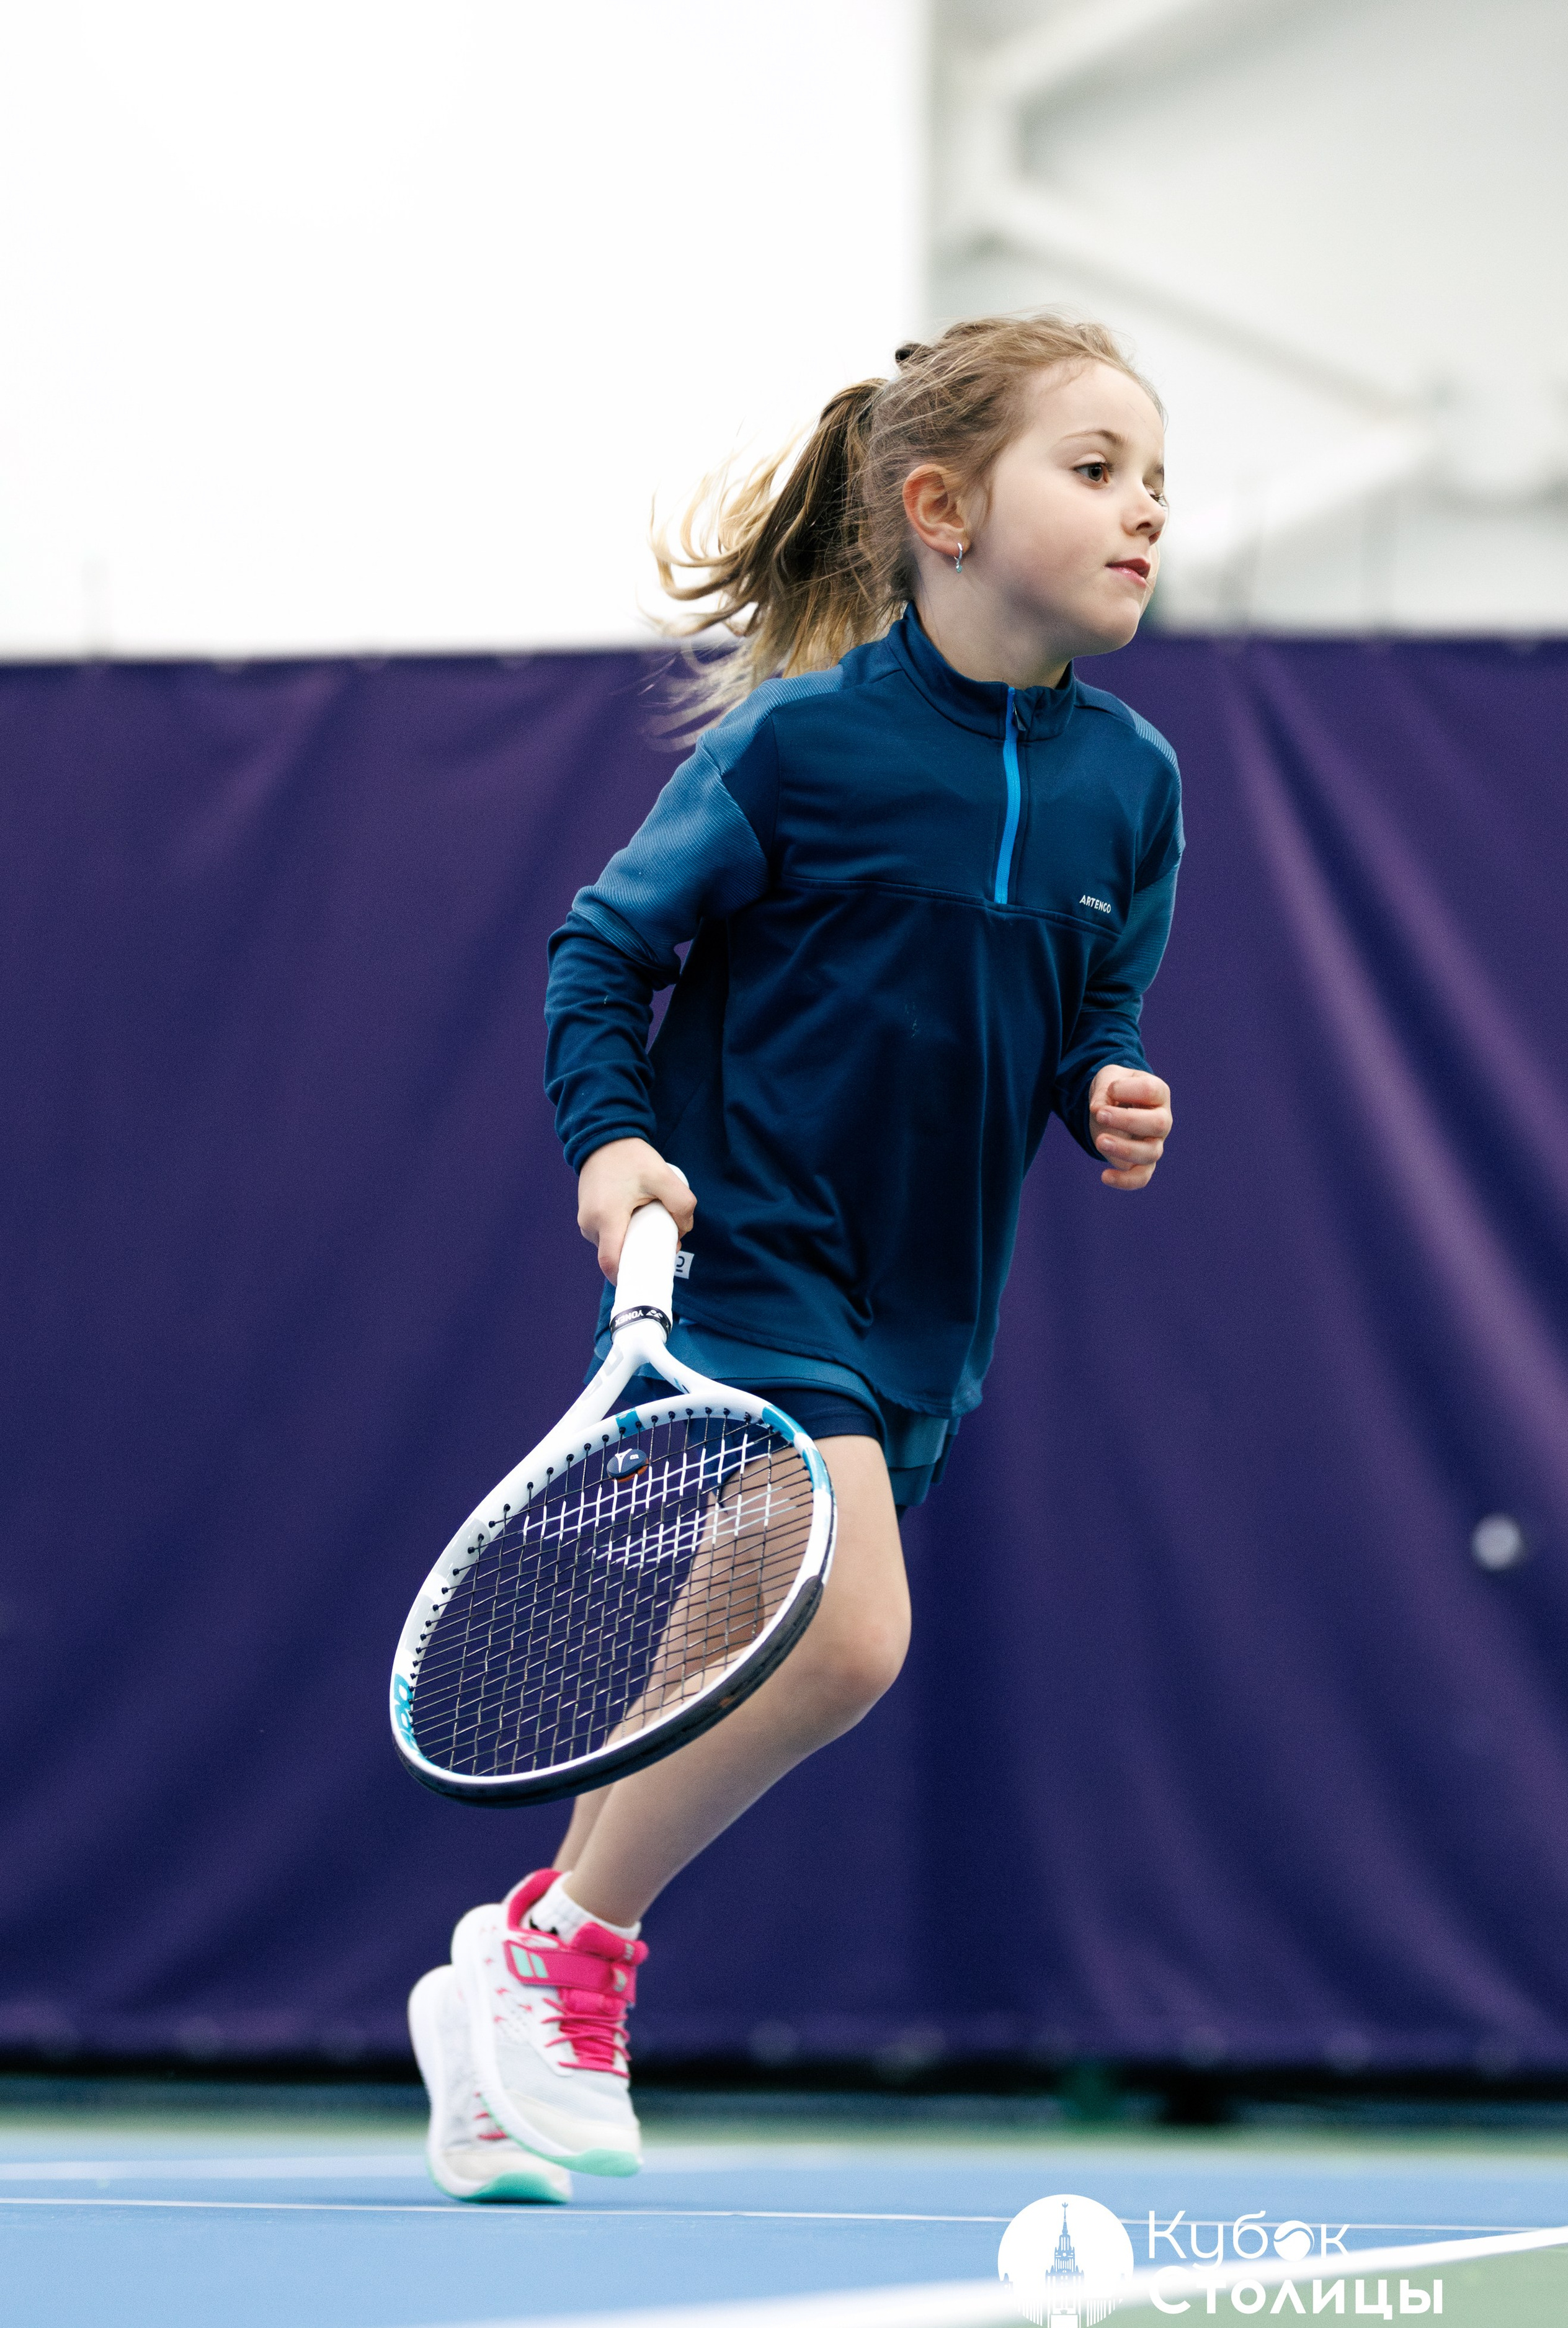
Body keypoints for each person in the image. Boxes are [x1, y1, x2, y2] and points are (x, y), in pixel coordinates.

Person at [411, 312, 1180, 2198]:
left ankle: (502, 2019)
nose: (1145, 510)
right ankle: (568, 1957)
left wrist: (1107, 1088)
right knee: (843, 1640)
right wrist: (613, 1150)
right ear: (939, 506)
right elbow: (605, 952)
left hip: (932, 1304)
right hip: (752, 1249)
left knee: (713, 1666)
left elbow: (1096, 1006)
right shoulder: (804, 747)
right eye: (1094, 471)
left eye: (1160, 478)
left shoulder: (1134, 787)